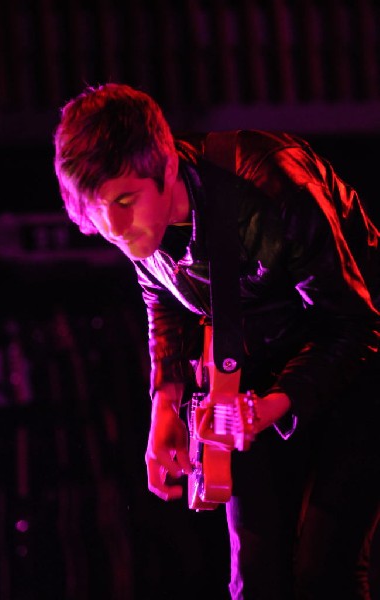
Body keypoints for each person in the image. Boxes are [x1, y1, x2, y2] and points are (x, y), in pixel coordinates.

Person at [53, 82, 380, 599]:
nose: (112, 226)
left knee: (327, 574)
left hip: (358, 361)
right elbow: (162, 295)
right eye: (96, 206)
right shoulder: (135, 222)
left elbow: (355, 325)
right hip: (250, 371)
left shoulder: (276, 187)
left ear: (165, 170)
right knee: (255, 581)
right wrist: (166, 401)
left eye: (123, 200)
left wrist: (274, 404)